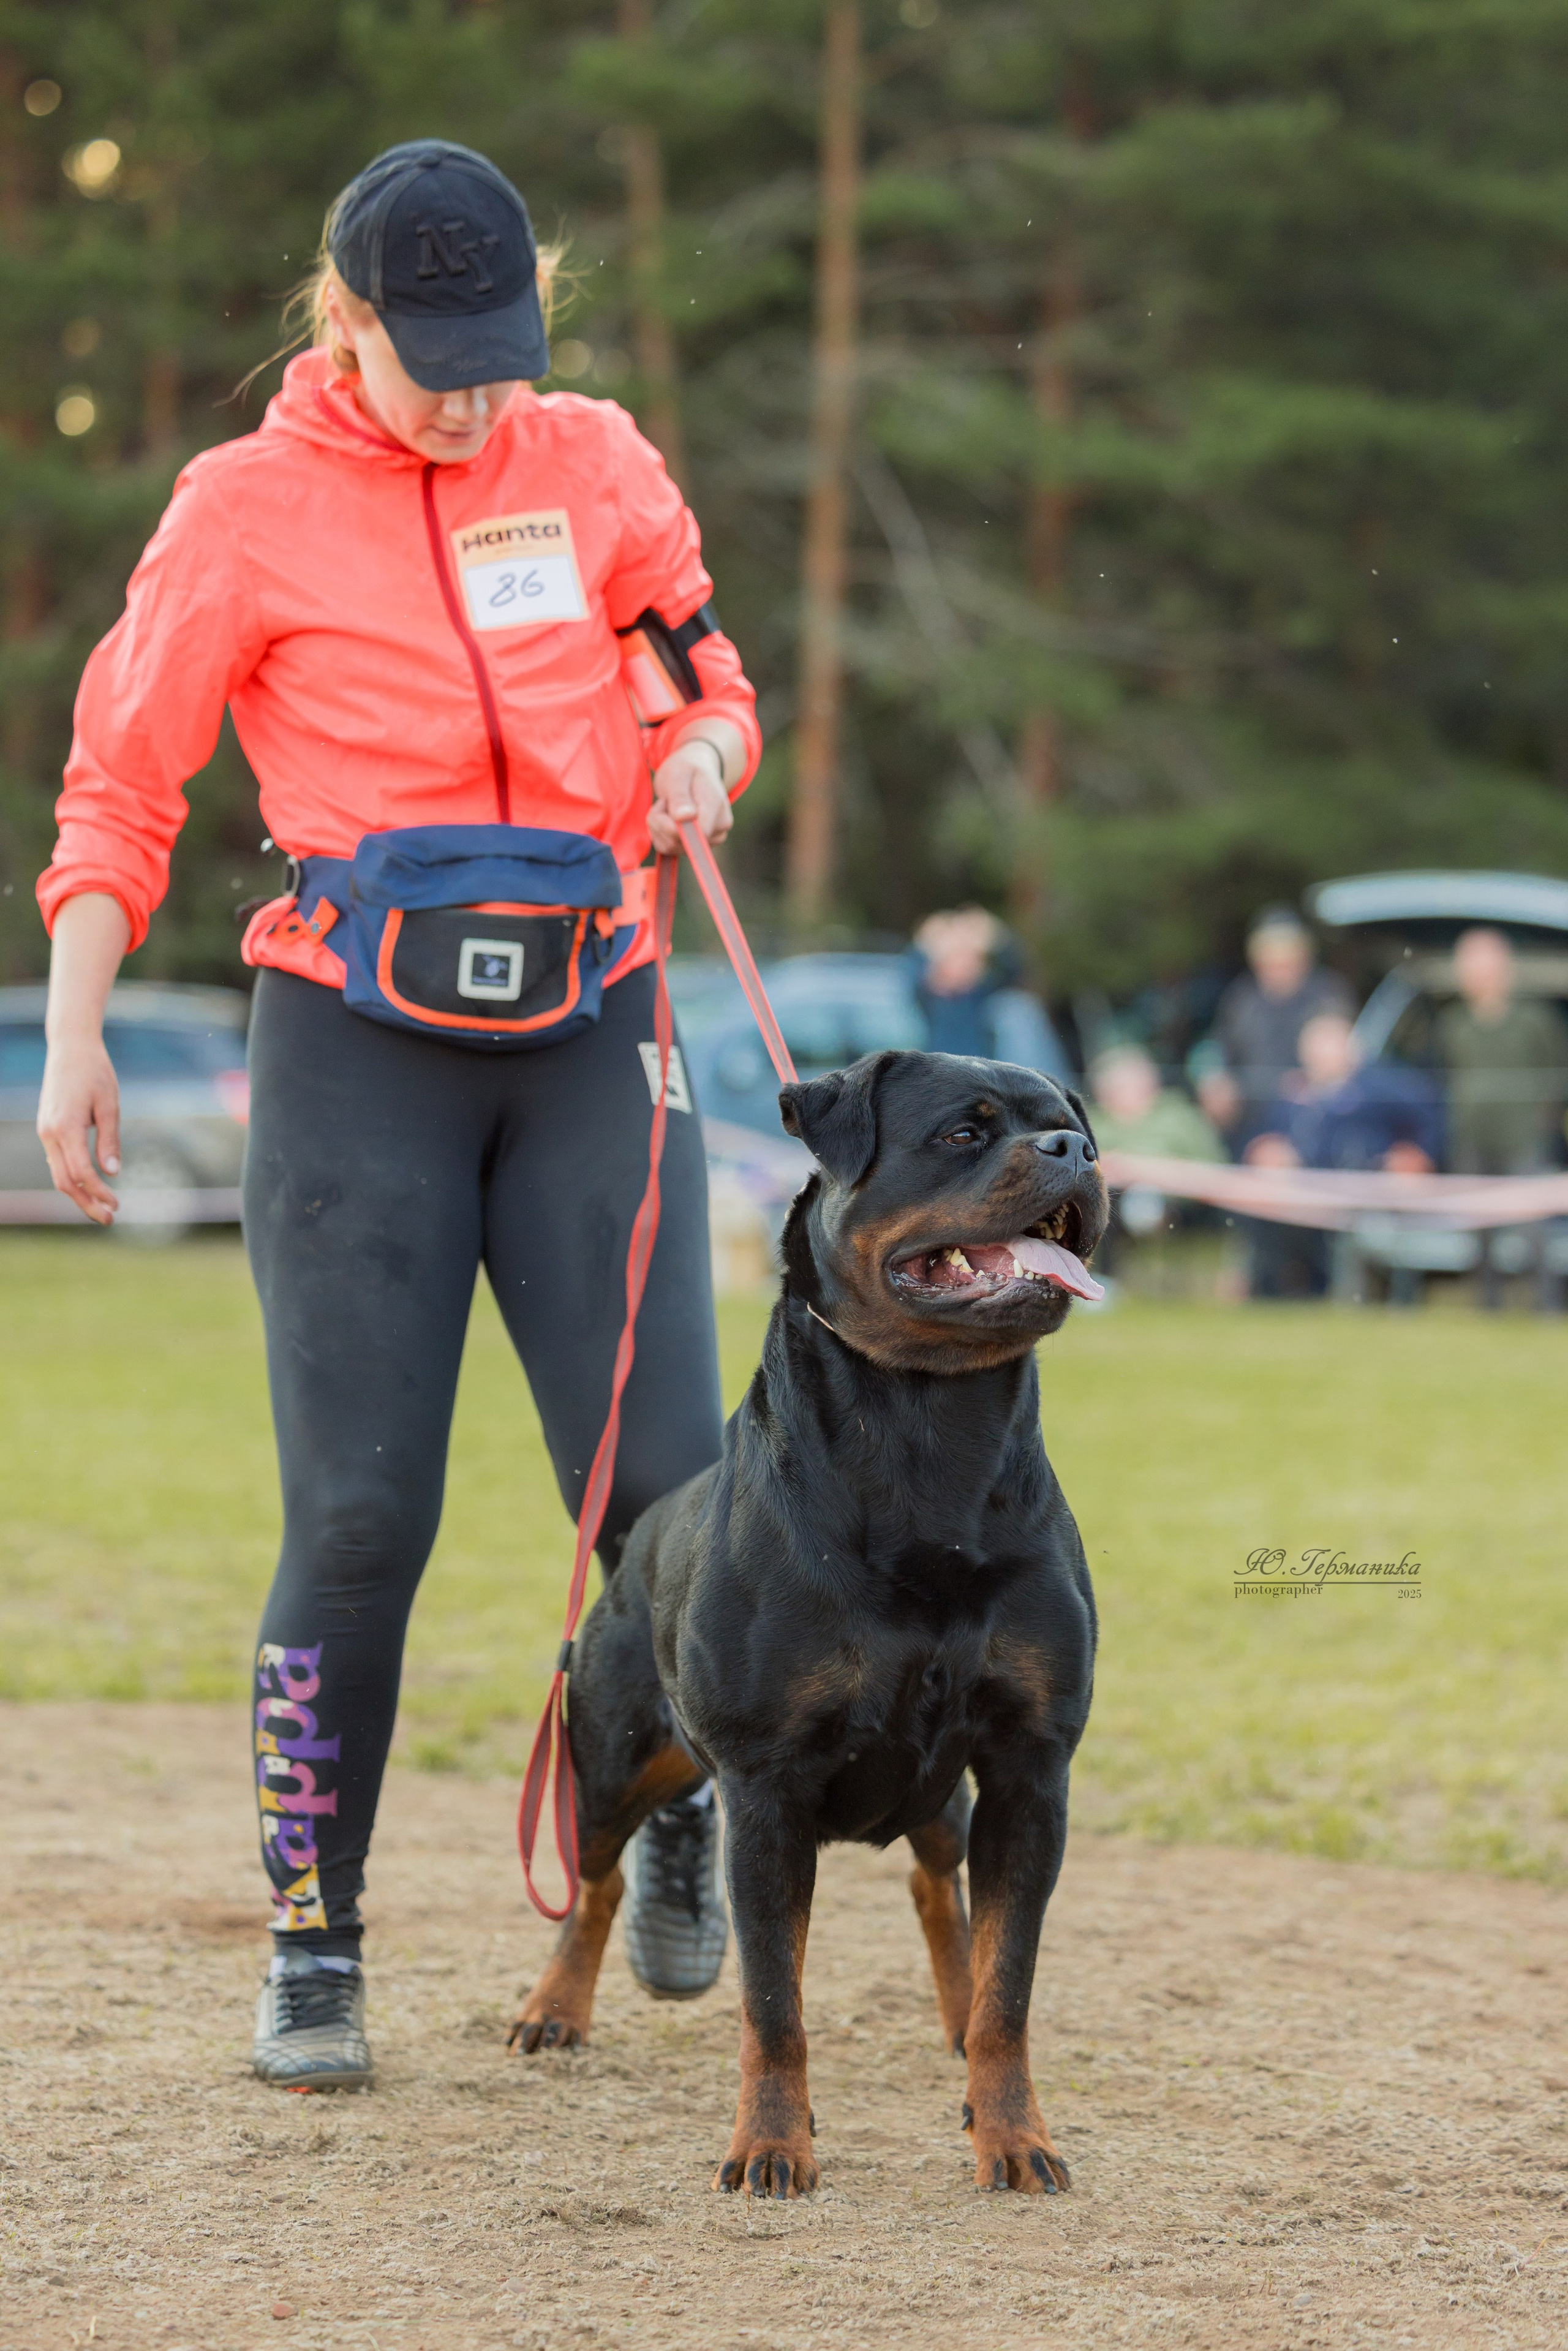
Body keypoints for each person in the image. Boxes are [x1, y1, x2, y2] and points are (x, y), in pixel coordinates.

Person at [35, 142, 758, 2091]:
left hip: (597, 1026)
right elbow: (121, 785)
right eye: (429, 353)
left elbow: (705, 672)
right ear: (339, 319)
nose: (471, 391)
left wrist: (698, 752)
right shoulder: (240, 513)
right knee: (361, 1514)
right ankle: (313, 1939)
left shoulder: (594, 461)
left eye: (500, 348)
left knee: (666, 1503)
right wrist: (75, 1033)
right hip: (358, 1051)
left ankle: (673, 1807)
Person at [1200, 908, 1354, 1300]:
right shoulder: (1242, 998)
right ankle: (1261, 1285)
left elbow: (1337, 1056)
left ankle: (1315, 1287)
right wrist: (1215, 1083)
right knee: (1256, 1217)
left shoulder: (1328, 994)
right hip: (1250, 1126)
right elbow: (1218, 1052)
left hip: (1311, 1130)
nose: (1277, 966)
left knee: (1306, 1217)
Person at [1437, 927, 1568, 1308]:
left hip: (1524, 1139)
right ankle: (1486, 1306)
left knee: (1534, 1229)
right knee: (1479, 1231)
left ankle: (1547, 1307)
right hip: (1472, 1138)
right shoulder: (1453, 1023)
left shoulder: (1535, 1020)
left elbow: (1556, 1074)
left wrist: (1544, 1121)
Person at [1248, 1013, 1443, 1176]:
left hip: (1371, 1189)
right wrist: (1269, 1152)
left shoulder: (1381, 1087)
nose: (1323, 1056)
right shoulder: (1290, 1097)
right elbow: (1266, 1140)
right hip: (1307, 1193)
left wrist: (1418, 1154)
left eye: (1331, 1045)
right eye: (1316, 1047)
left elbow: (1429, 1118)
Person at [908, 906, 1069, 1077]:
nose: (963, 965)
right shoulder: (928, 994)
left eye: (970, 959)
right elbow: (913, 978)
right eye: (956, 957)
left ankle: (1047, 1086)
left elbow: (1016, 969)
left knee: (1019, 1009)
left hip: (986, 1070)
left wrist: (998, 940)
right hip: (945, 1072)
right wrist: (925, 945)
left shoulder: (983, 993)